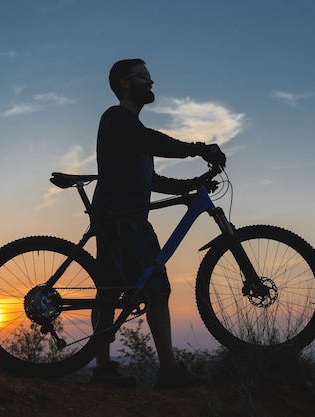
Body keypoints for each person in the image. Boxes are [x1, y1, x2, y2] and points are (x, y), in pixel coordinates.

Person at [89, 59, 226, 389]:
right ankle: (103, 367)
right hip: (116, 217)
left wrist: (190, 185)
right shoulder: (117, 118)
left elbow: (151, 179)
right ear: (125, 83)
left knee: (157, 290)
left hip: (134, 219)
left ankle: (169, 371)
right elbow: (154, 141)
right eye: (144, 77)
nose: (151, 82)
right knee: (110, 290)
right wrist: (198, 149)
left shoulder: (133, 132)